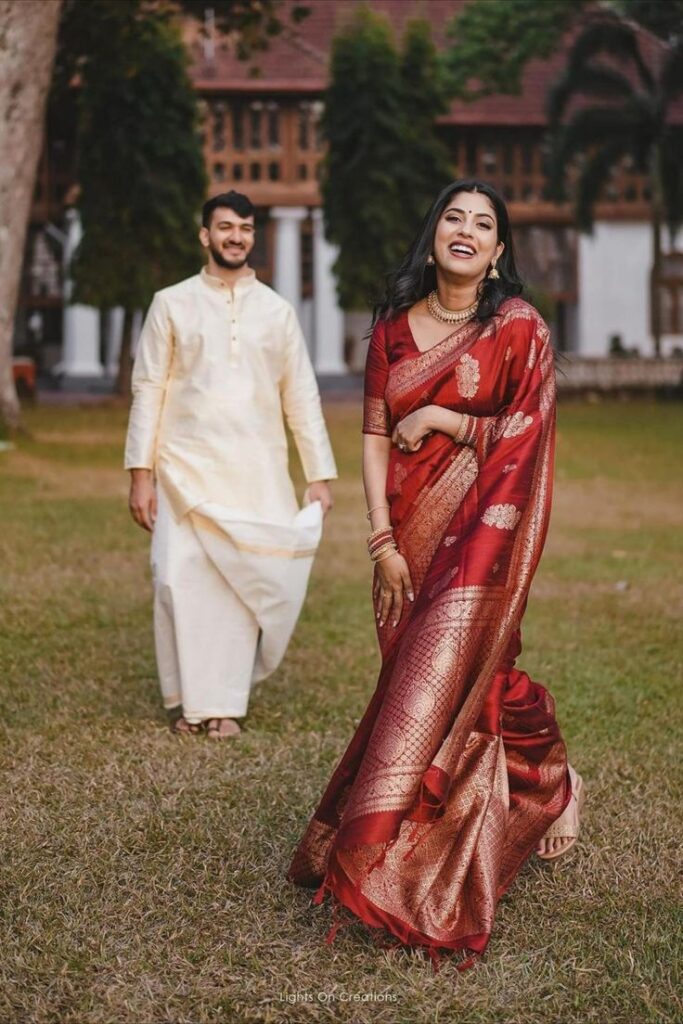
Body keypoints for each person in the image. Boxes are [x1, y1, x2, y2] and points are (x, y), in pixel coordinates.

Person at [288, 180, 583, 965]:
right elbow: (376, 435)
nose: (466, 230)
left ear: (495, 256)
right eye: (453, 216)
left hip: (484, 529)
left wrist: (450, 418)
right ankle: (542, 777)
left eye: (483, 224)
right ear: (433, 237)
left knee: (464, 672)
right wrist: (379, 540)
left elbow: (530, 427)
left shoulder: (519, 329)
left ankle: (429, 849)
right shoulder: (390, 325)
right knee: (426, 679)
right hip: (406, 532)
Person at [124, 190, 337, 739]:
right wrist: (140, 473)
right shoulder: (171, 303)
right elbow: (148, 388)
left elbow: (302, 395)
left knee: (242, 586)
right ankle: (188, 704)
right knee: (179, 580)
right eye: (225, 227)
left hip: (256, 470)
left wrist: (317, 474)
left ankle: (224, 706)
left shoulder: (277, 311)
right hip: (182, 469)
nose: (236, 236)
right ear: (205, 235)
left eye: (244, 227)